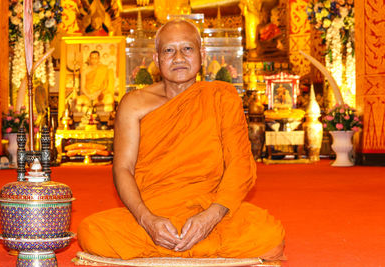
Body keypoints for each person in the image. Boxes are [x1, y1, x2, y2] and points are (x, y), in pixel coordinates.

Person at [77, 20, 285, 261]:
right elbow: (123, 168)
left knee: (269, 234)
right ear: (156, 59)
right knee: (92, 231)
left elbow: (240, 164)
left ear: (202, 54)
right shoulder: (134, 104)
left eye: (187, 48)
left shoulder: (222, 97)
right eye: (168, 50)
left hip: (210, 207)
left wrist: (211, 216)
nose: (178, 57)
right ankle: (189, 245)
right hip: (154, 210)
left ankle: (178, 245)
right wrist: (147, 219)